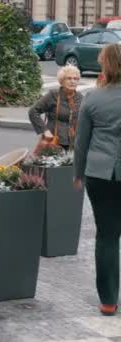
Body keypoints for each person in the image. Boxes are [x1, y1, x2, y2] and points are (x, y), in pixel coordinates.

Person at [74, 44, 121, 316]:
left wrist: (78, 174)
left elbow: (81, 143)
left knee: (106, 236)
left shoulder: (92, 99)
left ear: (105, 67)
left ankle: (108, 300)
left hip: (99, 174)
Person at [29, 65, 83, 150]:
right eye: (69, 78)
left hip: (73, 143)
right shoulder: (53, 95)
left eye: (75, 79)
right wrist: (44, 130)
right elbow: (33, 111)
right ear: (62, 81)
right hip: (54, 141)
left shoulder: (80, 97)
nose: (73, 81)